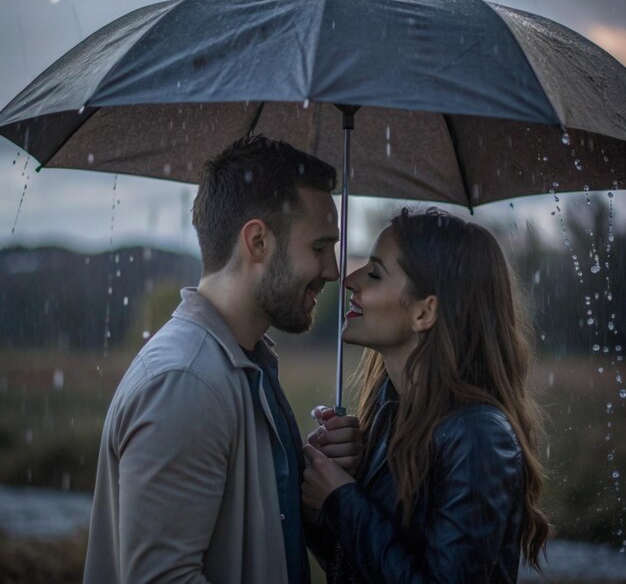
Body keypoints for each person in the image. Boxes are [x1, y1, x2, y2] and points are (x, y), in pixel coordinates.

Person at [84, 135, 362, 584]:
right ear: (257, 241)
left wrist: (312, 481)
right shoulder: (186, 383)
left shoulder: (240, 365)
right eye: (318, 248)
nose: (332, 270)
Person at [302, 208, 550, 583]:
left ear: (424, 311)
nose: (349, 279)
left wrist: (344, 499)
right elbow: (352, 567)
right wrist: (327, 490)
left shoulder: (478, 437)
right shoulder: (390, 411)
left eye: (374, 273)